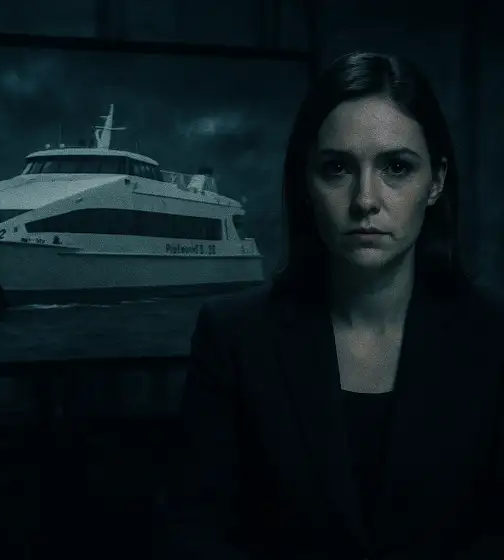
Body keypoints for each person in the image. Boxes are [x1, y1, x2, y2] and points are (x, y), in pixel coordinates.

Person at [154, 51, 504, 559]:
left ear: (436, 181)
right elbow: (195, 532)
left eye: (397, 167)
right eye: (337, 168)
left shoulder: (493, 337)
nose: (365, 200)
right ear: (305, 181)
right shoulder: (234, 336)